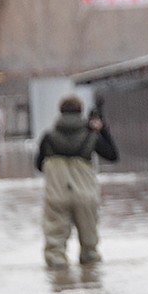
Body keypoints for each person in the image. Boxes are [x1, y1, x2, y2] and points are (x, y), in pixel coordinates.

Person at [35, 95, 119, 267]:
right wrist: (102, 130)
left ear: (60, 112)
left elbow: (38, 166)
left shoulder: (48, 137)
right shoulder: (91, 136)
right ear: (80, 112)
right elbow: (113, 156)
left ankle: (59, 283)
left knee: (54, 247)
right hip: (85, 194)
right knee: (90, 249)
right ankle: (90, 282)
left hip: (56, 194)